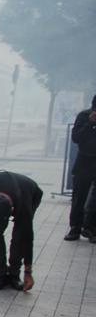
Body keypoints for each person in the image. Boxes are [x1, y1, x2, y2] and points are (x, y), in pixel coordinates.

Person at [0, 170, 42, 291]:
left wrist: (28, 272)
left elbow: (28, 239)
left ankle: (14, 273)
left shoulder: (24, 207)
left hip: (31, 193)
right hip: (2, 200)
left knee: (19, 236)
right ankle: (0, 272)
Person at [65, 95, 96, 242]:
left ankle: (91, 228)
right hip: (84, 162)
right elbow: (76, 138)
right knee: (79, 197)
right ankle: (75, 228)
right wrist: (90, 123)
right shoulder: (84, 116)